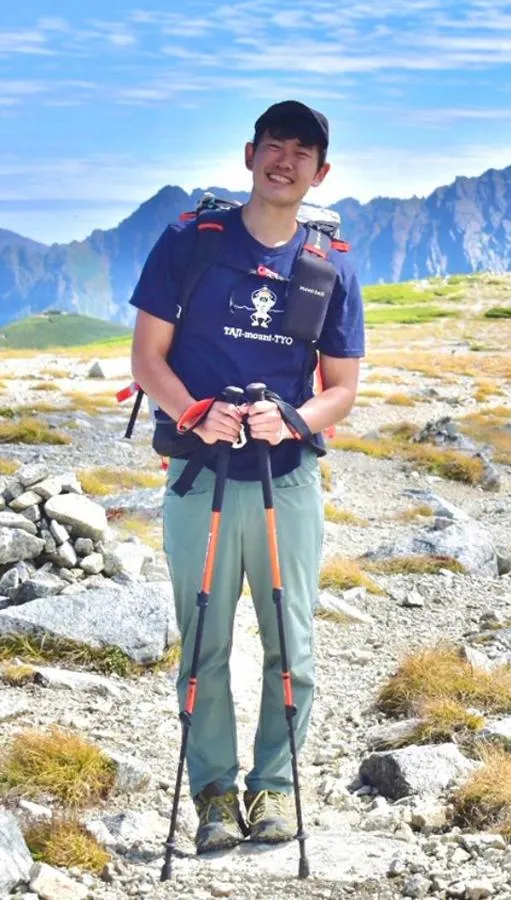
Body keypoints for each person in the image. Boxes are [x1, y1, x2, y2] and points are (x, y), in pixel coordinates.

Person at [127, 100, 364, 854]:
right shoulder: (190, 244)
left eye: (301, 152)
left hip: (284, 479)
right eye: (274, 146)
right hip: (200, 477)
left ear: (319, 172)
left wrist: (292, 419)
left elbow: (342, 392)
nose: (284, 160)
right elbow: (147, 361)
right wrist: (195, 413)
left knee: (289, 642)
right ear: (249, 154)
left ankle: (275, 789)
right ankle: (213, 795)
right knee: (203, 644)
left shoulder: (329, 268)